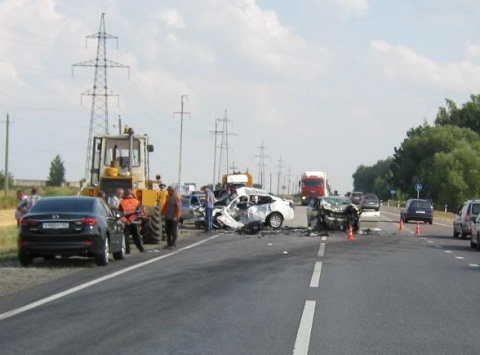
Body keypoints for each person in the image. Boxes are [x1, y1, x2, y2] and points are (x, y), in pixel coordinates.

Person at [119, 189, 145, 253]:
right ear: (132, 194)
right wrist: (131, 219)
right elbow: (141, 213)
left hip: (126, 223)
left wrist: (126, 221)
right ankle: (141, 249)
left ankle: (127, 250)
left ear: (125, 194)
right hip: (134, 222)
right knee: (136, 235)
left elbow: (120, 214)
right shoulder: (137, 202)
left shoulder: (122, 202)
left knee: (126, 236)